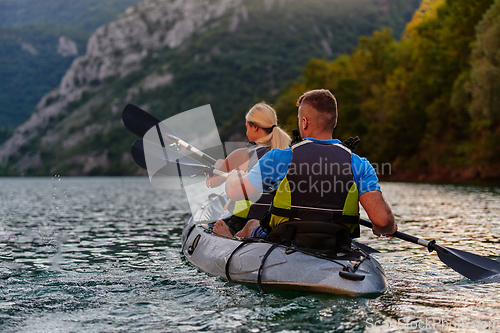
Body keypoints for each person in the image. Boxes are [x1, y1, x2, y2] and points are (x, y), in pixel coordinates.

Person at [214, 89, 397, 240]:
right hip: (335, 241)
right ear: (334, 122)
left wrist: (233, 176)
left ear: (304, 122)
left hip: (286, 238)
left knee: (250, 225)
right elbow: (382, 221)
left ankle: (227, 239)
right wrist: (388, 226)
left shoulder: (279, 158)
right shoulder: (360, 164)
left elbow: (236, 192)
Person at [208, 102, 291, 236]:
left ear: (255, 128)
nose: (246, 132)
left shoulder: (242, 155)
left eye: (247, 127)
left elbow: (212, 182)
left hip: (243, 221)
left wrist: (219, 167)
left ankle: (230, 235)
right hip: (272, 220)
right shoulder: (285, 154)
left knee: (215, 221)